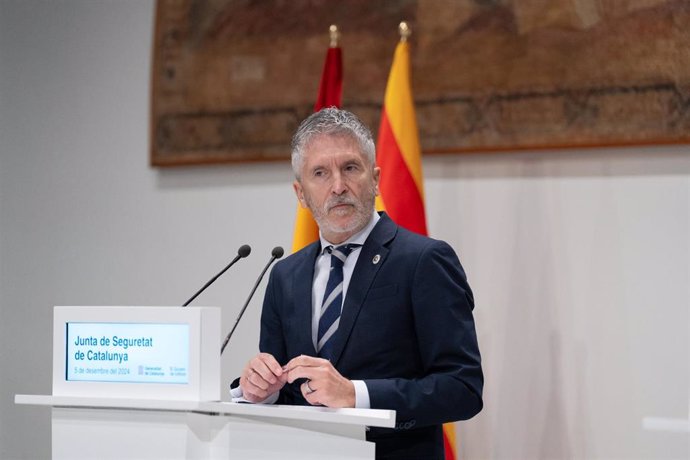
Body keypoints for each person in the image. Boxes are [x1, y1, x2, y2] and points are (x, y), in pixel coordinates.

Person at [234, 108, 483, 459]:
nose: (338, 186)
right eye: (320, 173)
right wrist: (263, 388)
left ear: (376, 179)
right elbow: (285, 385)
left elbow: (462, 388)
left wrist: (356, 395)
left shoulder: (424, 261)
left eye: (350, 168)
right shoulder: (285, 276)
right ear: (300, 193)